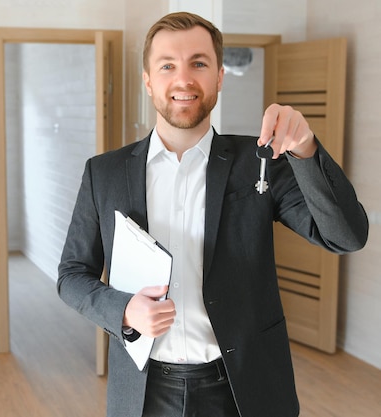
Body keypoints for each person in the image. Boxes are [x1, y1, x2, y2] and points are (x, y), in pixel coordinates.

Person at [57, 11, 369, 417]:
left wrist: (306, 148)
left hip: (244, 389)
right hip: (144, 392)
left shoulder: (261, 163)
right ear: (148, 80)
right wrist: (123, 310)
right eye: (167, 65)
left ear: (219, 76)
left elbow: (346, 236)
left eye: (198, 63)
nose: (183, 79)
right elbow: (71, 276)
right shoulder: (104, 173)